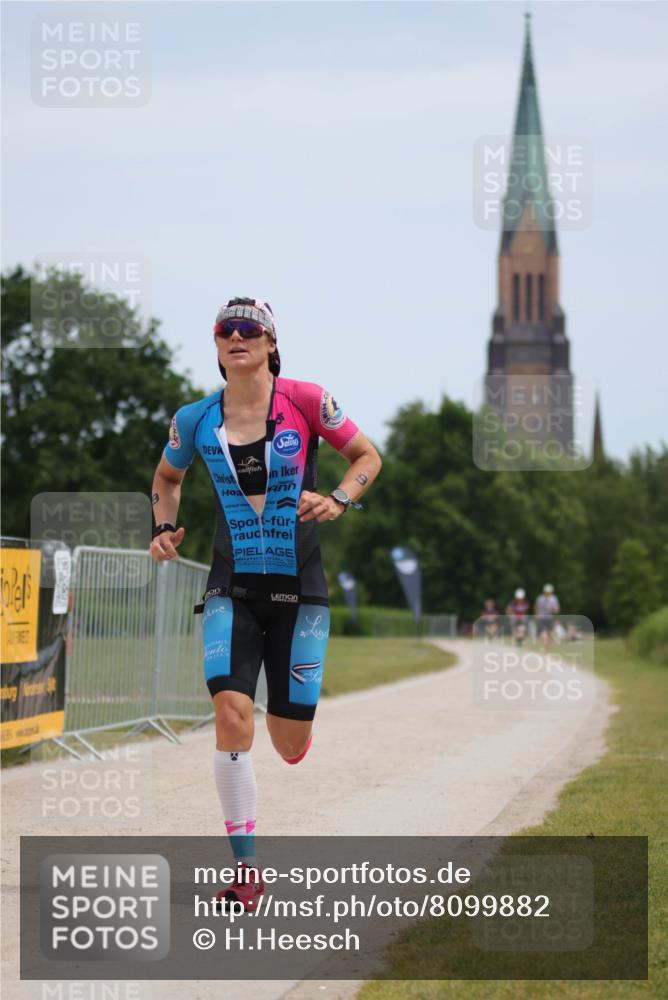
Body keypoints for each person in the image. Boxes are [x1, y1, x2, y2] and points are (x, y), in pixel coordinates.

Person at [149, 297, 381, 911]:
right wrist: (164, 527)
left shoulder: (306, 400)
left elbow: (367, 457)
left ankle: (294, 725)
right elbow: (167, 479)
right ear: (217, 346)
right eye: (225, 330)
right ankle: (247, 869)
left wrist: (339, 499)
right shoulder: (196, 418)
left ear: (271, 343)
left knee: (288, 744)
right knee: (231, 714)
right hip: (233, 588)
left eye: (249, 328)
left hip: (300, 592)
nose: (236, 336)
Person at [534, 583, 560, 647]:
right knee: (543, 632)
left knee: (549, 633)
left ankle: (548, 643)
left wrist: (552, 608)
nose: (547, 593)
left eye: (548, 592)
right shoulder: (540, 598)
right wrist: (536, 615)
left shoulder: (554, 599)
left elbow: (557, 610)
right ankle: (546, 644)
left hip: (550, 618)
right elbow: (536, 607)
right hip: (542, 618)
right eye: (546, 592)